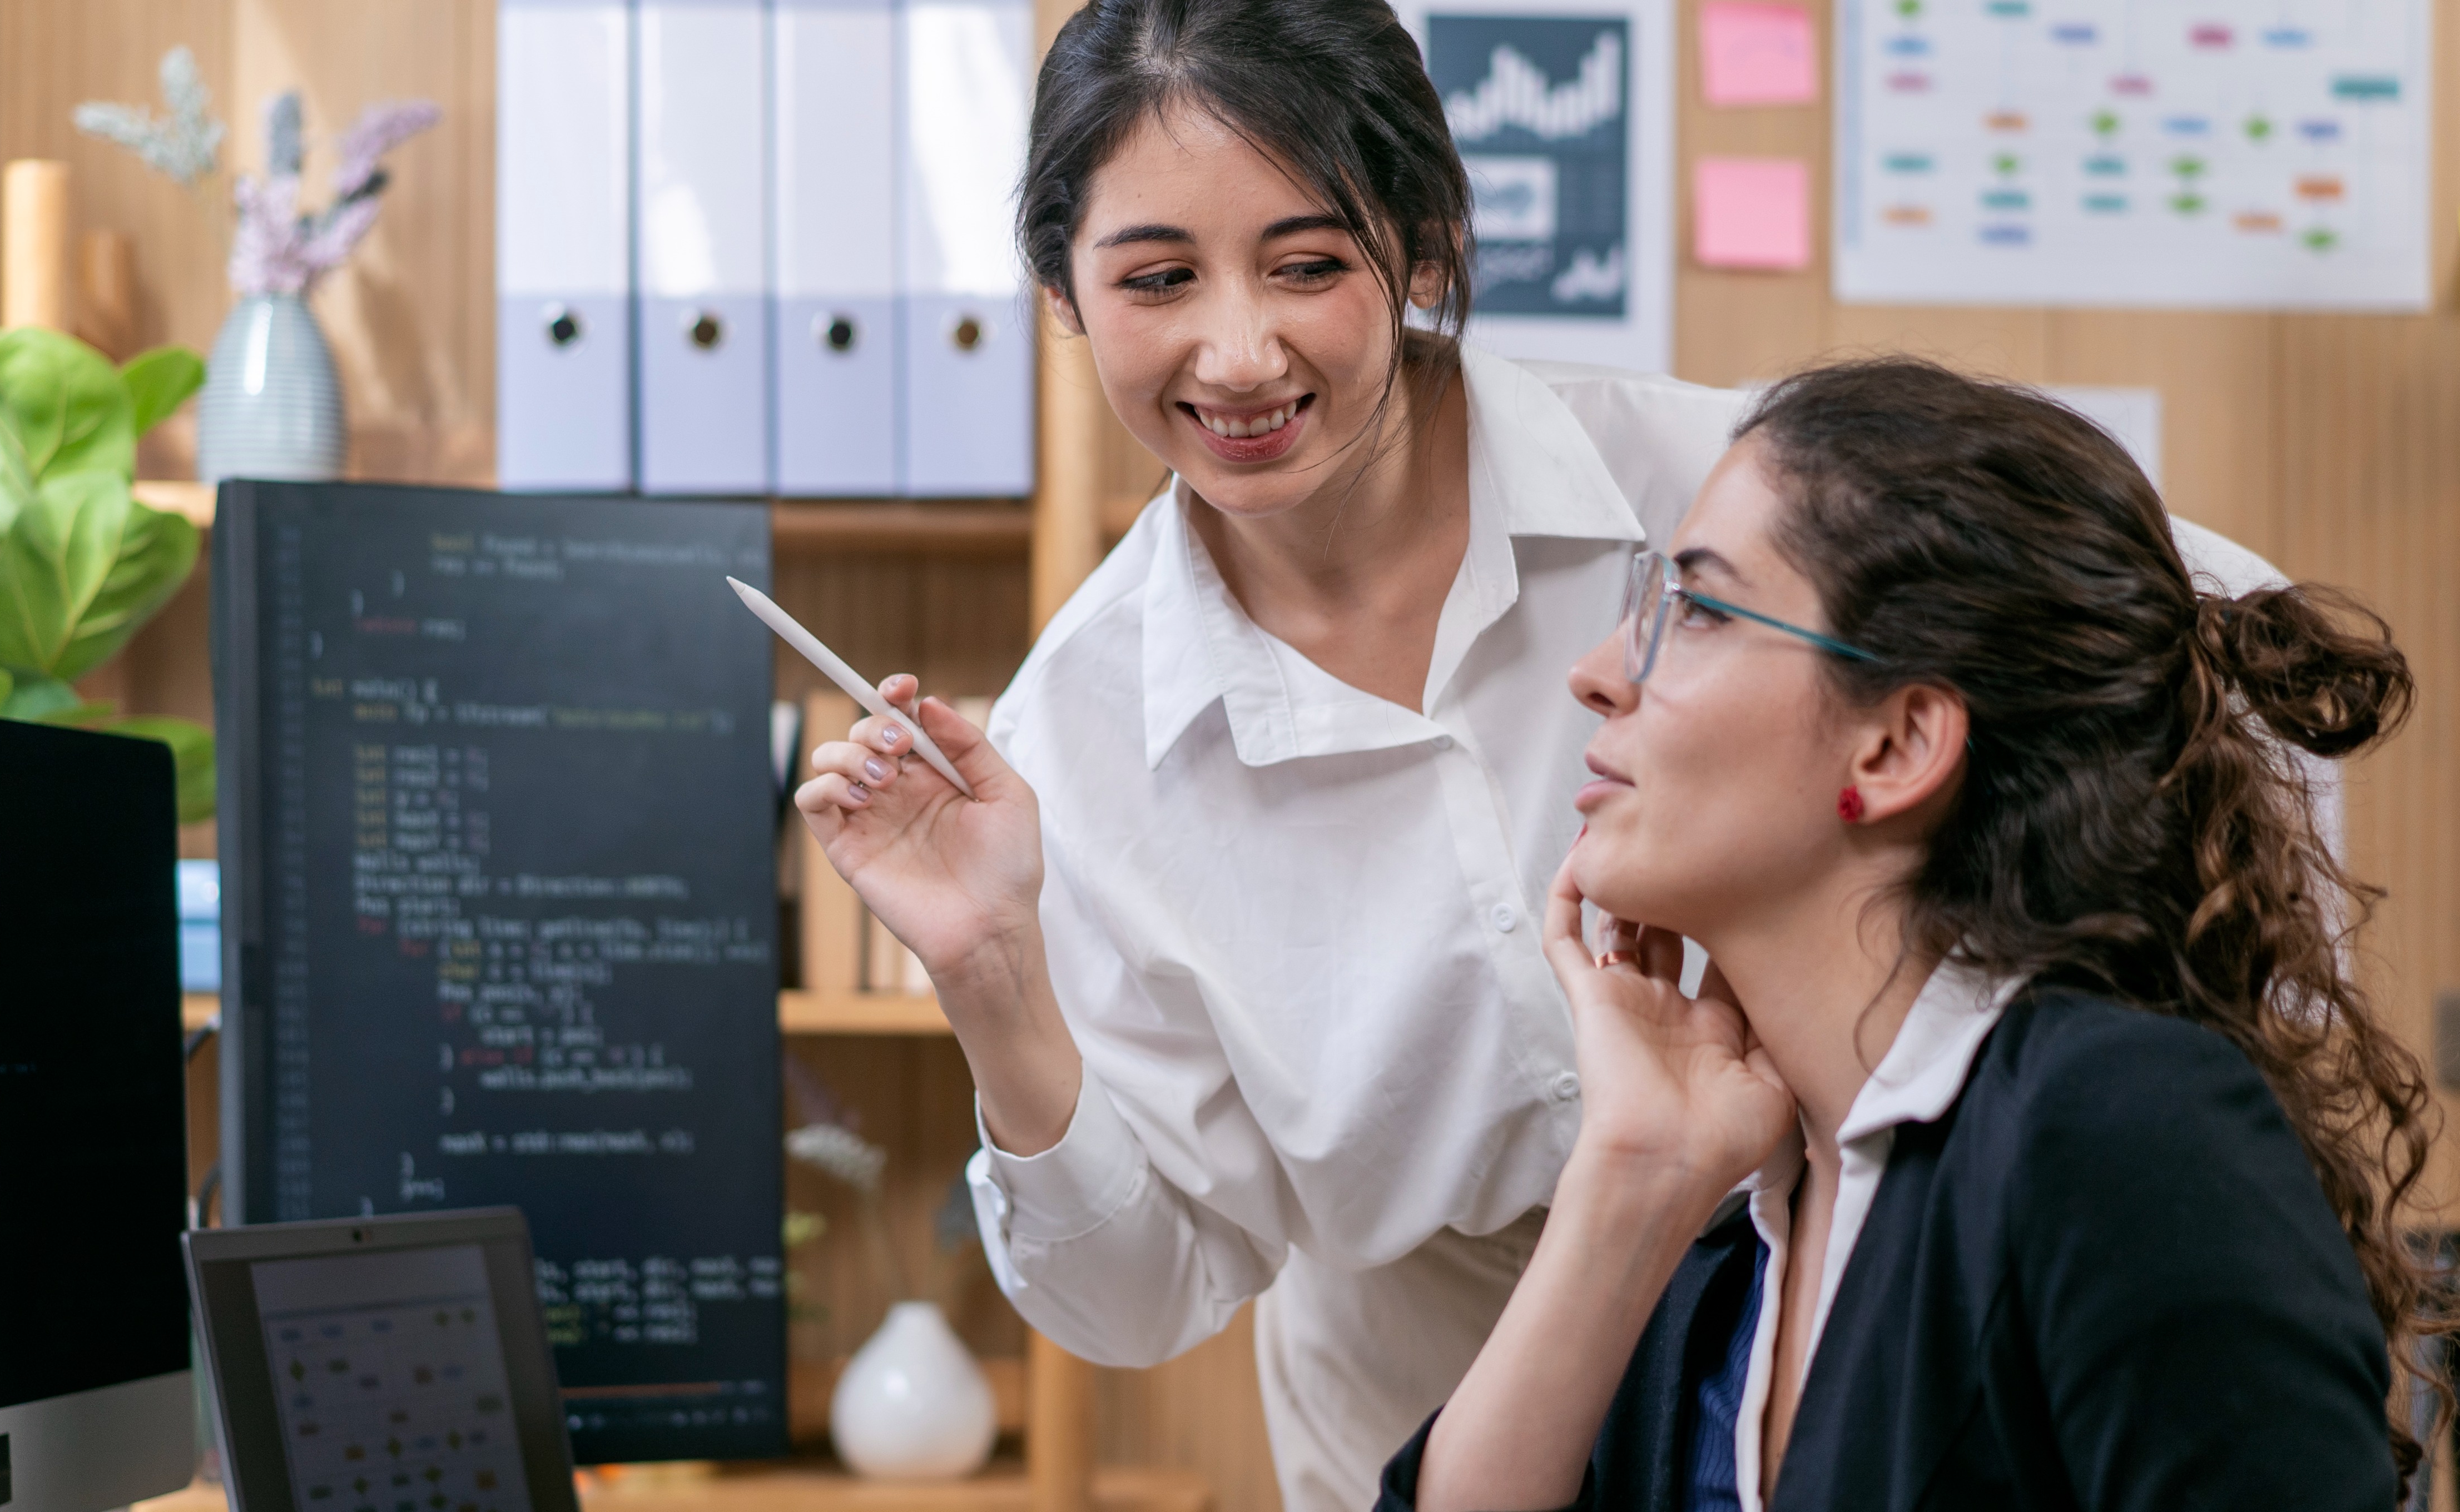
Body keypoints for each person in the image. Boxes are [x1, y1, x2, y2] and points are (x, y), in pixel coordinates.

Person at [792, 1, 2316, 1503]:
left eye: (1309, 264)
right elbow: (1135, 1294)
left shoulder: (1714, 493)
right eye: (1157, 279)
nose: (1238, 352)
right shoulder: (1081, 731)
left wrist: (2177, 1063)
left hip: (1831, 1277)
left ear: (1425, 247)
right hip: (1438, 1384)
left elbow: (2218, 625)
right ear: (1064, 290)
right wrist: (991, 975)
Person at [1380, 357, 2441, 1511]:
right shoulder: (1727, 1250)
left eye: (1694, 611)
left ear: (1894, 748)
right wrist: (1631, 1174)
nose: (1595, 676)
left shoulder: (2117, 1126)